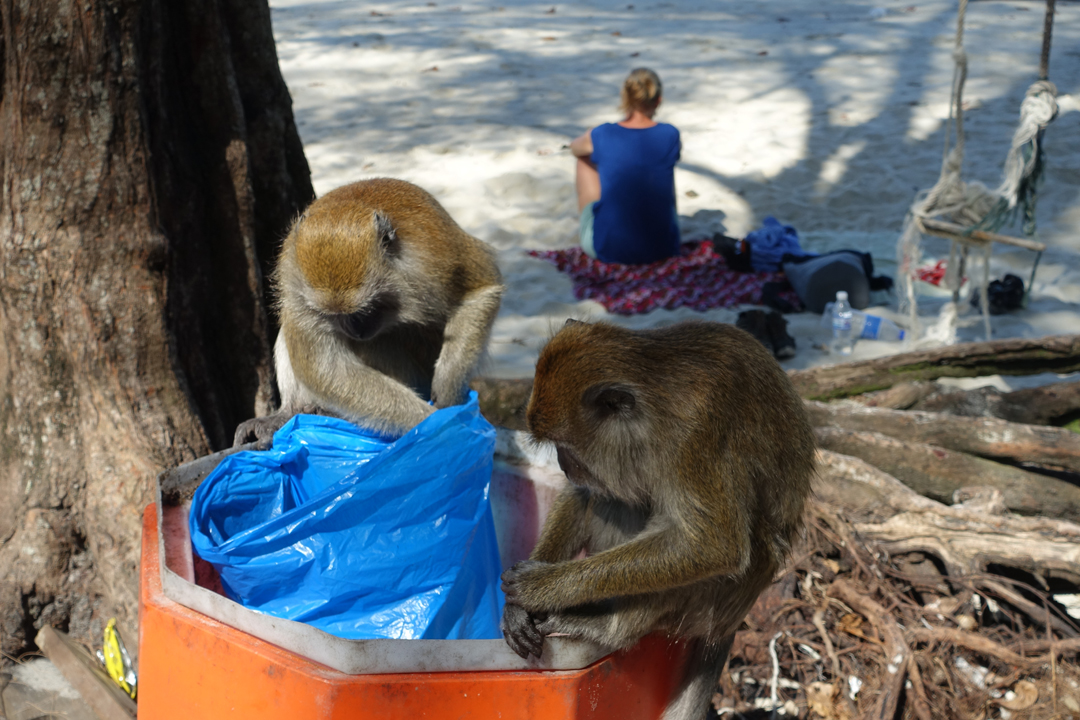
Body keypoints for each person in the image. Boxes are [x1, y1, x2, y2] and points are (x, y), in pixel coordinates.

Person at [571, 68, 681, 265]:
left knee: (584, 160)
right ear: (658, 100)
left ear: (626, 98)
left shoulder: (602, 133)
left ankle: (599, 223)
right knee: (661, 167)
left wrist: (593, 138)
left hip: (610, 250)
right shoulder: (670, 134)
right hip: (664, 248)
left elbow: (574, 148)